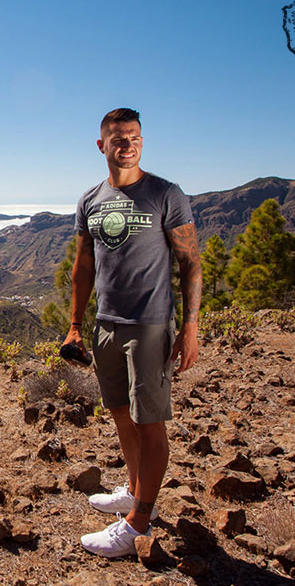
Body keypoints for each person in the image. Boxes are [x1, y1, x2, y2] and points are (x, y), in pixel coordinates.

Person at [64, 107, 201, 558]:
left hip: (150, 324)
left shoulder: (166, 193)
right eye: (118, 138)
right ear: (101, 145)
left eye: (135, 137)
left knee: (150, 421)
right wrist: (75, 325)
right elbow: (83, 265)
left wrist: (191, 326)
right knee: (121, 413)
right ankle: (136, 489)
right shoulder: (90, 200)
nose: (128, 144)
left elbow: (190, 263)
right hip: (107, 325)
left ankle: (139, 520)